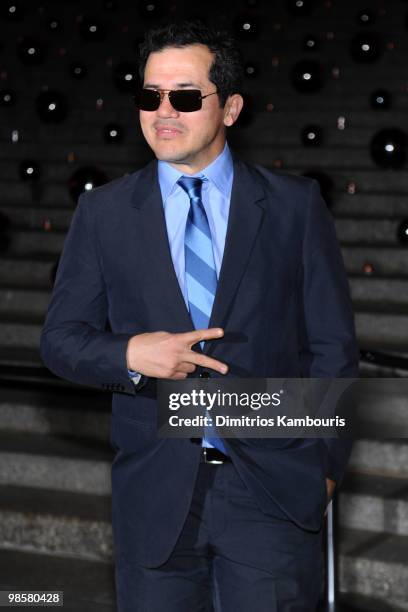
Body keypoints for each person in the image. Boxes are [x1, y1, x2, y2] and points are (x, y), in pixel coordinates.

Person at [40, 19, 359, 612]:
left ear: (230, 107)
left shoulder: (294, 207)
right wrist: (131, 354)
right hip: (155, 495)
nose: (164, 112)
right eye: (149, 96)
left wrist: (324, 472)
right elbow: (60, 339)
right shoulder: (104, 212)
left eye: (185, 96)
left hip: (272, 488)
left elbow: (332, 348)